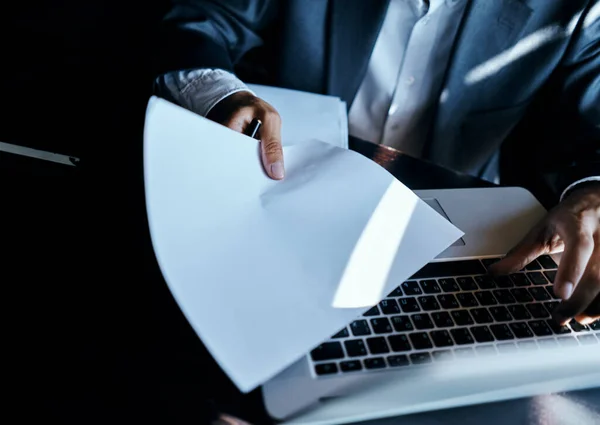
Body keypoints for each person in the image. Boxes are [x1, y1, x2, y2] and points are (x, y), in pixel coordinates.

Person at [153, 0, 600, 423]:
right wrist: (216, 92)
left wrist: (592, 189)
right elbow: (205, 17)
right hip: (290, 194)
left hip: (466, 226)